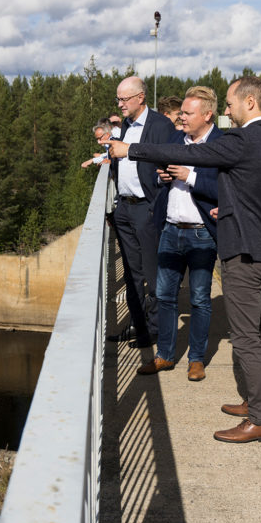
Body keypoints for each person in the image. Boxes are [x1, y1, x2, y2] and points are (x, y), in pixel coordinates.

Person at [106, 76, 261, 441]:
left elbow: (189, 154)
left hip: (243, 250)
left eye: (229, 103)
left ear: (250, 103)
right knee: (260, 332)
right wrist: (235, 206)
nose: (227, 110)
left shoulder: (241, 140)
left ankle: (259, 419)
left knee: (246, 339)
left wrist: (128, 151)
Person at [146, 86, 221, 380]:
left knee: (200, 298)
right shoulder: (176, 138)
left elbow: (222, 189)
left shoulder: (221, 144)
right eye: (181, 113)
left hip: (202, 233)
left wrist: (188, 176)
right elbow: (162, 174)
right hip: (170, 230)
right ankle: (164, 355)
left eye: (188, 114)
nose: (181, 118)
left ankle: (196, 359)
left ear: (207, 114)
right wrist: (162, 176)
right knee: (165, 295)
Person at [105, 76, 177, 370]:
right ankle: (139, 327)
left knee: (152, 273)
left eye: (124, 99)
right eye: (118, 99)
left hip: (147, 208)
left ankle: (155, 329)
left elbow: (170, 160)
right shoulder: (124, 126)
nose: (120, 104)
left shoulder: (161, 126)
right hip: (124, 208)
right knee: (133, 274)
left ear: (140, 98)